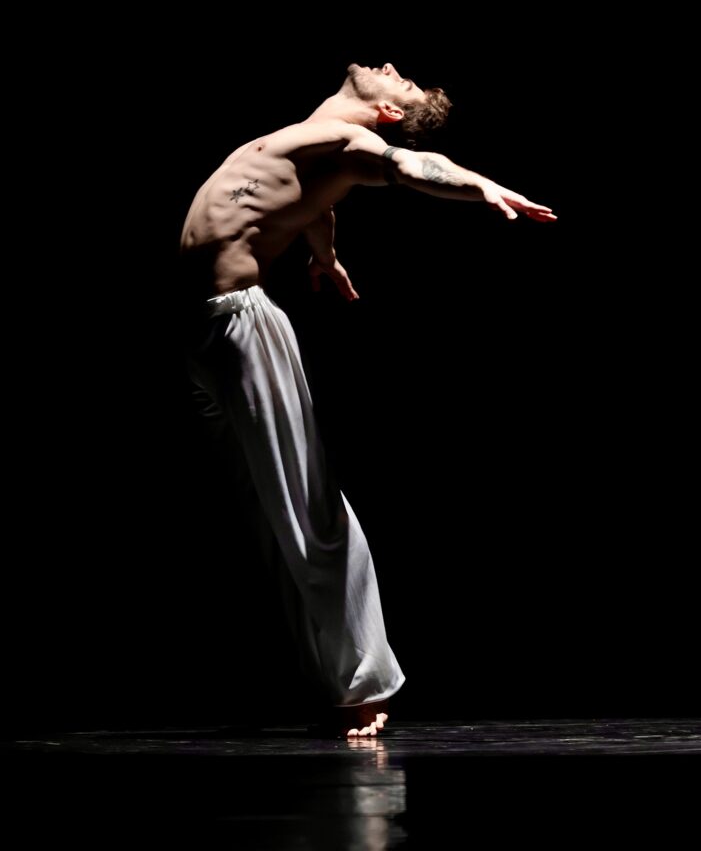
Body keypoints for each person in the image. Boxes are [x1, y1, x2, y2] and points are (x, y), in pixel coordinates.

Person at [179, 63, 556, 739]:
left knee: (307, 504)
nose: (392, 68)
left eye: (402, 84)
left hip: (240, 323)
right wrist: (324, 252)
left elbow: (410, 166)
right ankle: (313, 679)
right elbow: (316, 200)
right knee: (250, 509)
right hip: (198, 329)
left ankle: (366, 686)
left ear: (386, 114)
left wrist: (480, 185)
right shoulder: (320, 141)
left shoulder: (356, 142)